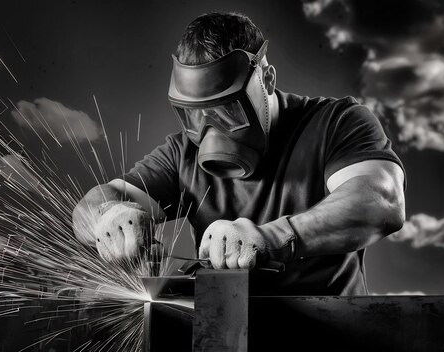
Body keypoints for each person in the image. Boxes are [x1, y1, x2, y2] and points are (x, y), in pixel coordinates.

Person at [72, 12, 405, 295]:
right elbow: (92, 204)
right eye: (194, 114)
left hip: (331, 333)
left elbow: (381, 203)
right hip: (224, 329)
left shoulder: (337, 123)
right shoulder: (181, 153)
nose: (208, 130)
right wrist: (109, 216)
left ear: (267, 80)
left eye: (228, 108)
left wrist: (269, 238)